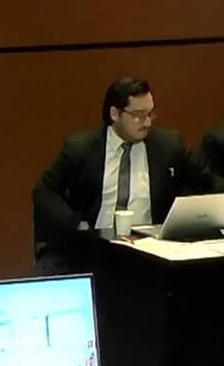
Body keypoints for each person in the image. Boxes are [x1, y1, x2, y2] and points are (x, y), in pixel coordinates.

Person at [32, 76, 222, 274]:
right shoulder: (80, 148)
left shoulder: (168, 145)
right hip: (92, 247)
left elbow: (209, 182)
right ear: (115, 113)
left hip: (148, 252)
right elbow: (44, 191)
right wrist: (75, 224)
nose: (147, 122)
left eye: (150, 114)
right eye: (138, 115)